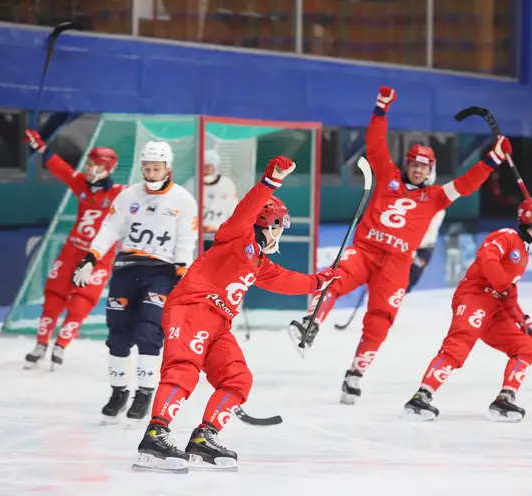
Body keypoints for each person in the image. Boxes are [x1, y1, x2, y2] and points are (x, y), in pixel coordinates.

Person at [288, 86, 510, 405]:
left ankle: (355, 375)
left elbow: (467, 183)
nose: (418, 169)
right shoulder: (388, 176)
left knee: (380, 321)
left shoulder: (435, 197)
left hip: (396, 265)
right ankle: (311, 323)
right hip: (364, 251)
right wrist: (381, 109)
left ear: (430, 171)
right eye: (414, 164)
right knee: (333, 277)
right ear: (407, 164)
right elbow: (375, 143)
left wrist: (493, 158)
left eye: (424, 166)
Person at [132, 156, 340, 473]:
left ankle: (204, 437)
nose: (278, 236)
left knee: (237, 378)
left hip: (218, 324)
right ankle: (155, 433)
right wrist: (271, 181)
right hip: (192, 308)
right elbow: (246, 212)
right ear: (266, 224)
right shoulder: (236, 236)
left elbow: (288, 280)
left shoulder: (259, 262)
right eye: (277, 228)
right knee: (183, 371)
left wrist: (319, 281)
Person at [72, 141, 198, 425]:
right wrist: (90, 257)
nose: (151, 173)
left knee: (149, 332)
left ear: (168, 168)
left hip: (162, 272)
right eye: (147, 168)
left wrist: (182, 275)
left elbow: (186, 241)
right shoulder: (128, 196)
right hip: (127, 268)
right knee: (118, 334)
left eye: (156, 168)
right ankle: (118, 392)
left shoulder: (183, 200)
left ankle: (144, 393)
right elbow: (109, 229)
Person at [402, 198, 532, 422]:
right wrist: (503, 284)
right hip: (475, 297)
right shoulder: (506, 237)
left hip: (496, 309)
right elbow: (486, 259)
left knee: (526, 348)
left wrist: (525, 321)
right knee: (457, 348)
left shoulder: (523, 251)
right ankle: (421, 397)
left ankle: (505, 399)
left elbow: (509, 295)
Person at [23, 129, 124, 370]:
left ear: (107, 170)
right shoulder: (80, 183)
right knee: (53, 299)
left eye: (95, 166)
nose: (89, 169)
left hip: (98, 258)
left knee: (81, 303)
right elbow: (61, 169)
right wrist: (42, 148)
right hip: (72, 251)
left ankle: (61, 346)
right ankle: (41, 344)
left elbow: (146, 196)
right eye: (88, 164)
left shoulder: (119, 193)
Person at [407, 167, 446, 292]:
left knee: (409, 284)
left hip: (423, 248)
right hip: (405, 245)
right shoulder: (409, 198)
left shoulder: (438, 206)